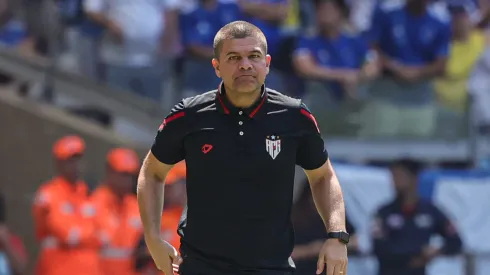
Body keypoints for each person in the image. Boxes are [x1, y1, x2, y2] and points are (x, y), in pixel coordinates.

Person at [137, 20, 348, 275]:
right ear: (217, 67)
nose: (245, 65)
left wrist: (336, 236)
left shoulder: (295, 116)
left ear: (267, 64)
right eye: (234, 57)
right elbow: (152, 172)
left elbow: (323, 175)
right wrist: (153, 239)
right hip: (202, 266)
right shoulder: (189, 115)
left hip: (272, 267)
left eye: (254, 56)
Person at [371, 158, 463, 275]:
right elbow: (379, 247)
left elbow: (455, 242)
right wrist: (416, 253)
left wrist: (436, 251)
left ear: (414, 178)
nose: (395, 182)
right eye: (393, 177)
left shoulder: (430, 211)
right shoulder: (384, 213)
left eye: (400, 176)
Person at [32, 135, 102, 275]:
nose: (75, 165)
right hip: (58, 269)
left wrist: (87, 235)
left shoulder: (88, 192)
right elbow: (65, 234)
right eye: (70, 161)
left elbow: (103, 233)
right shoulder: (48, 194)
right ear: (58, 163)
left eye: (78, 160)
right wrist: (90, 235)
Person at [91, 148, 141, 275]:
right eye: (123, 174)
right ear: (109, 171)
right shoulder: (93, 204)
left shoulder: (137, 206)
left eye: (131, 175)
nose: (128, 181)